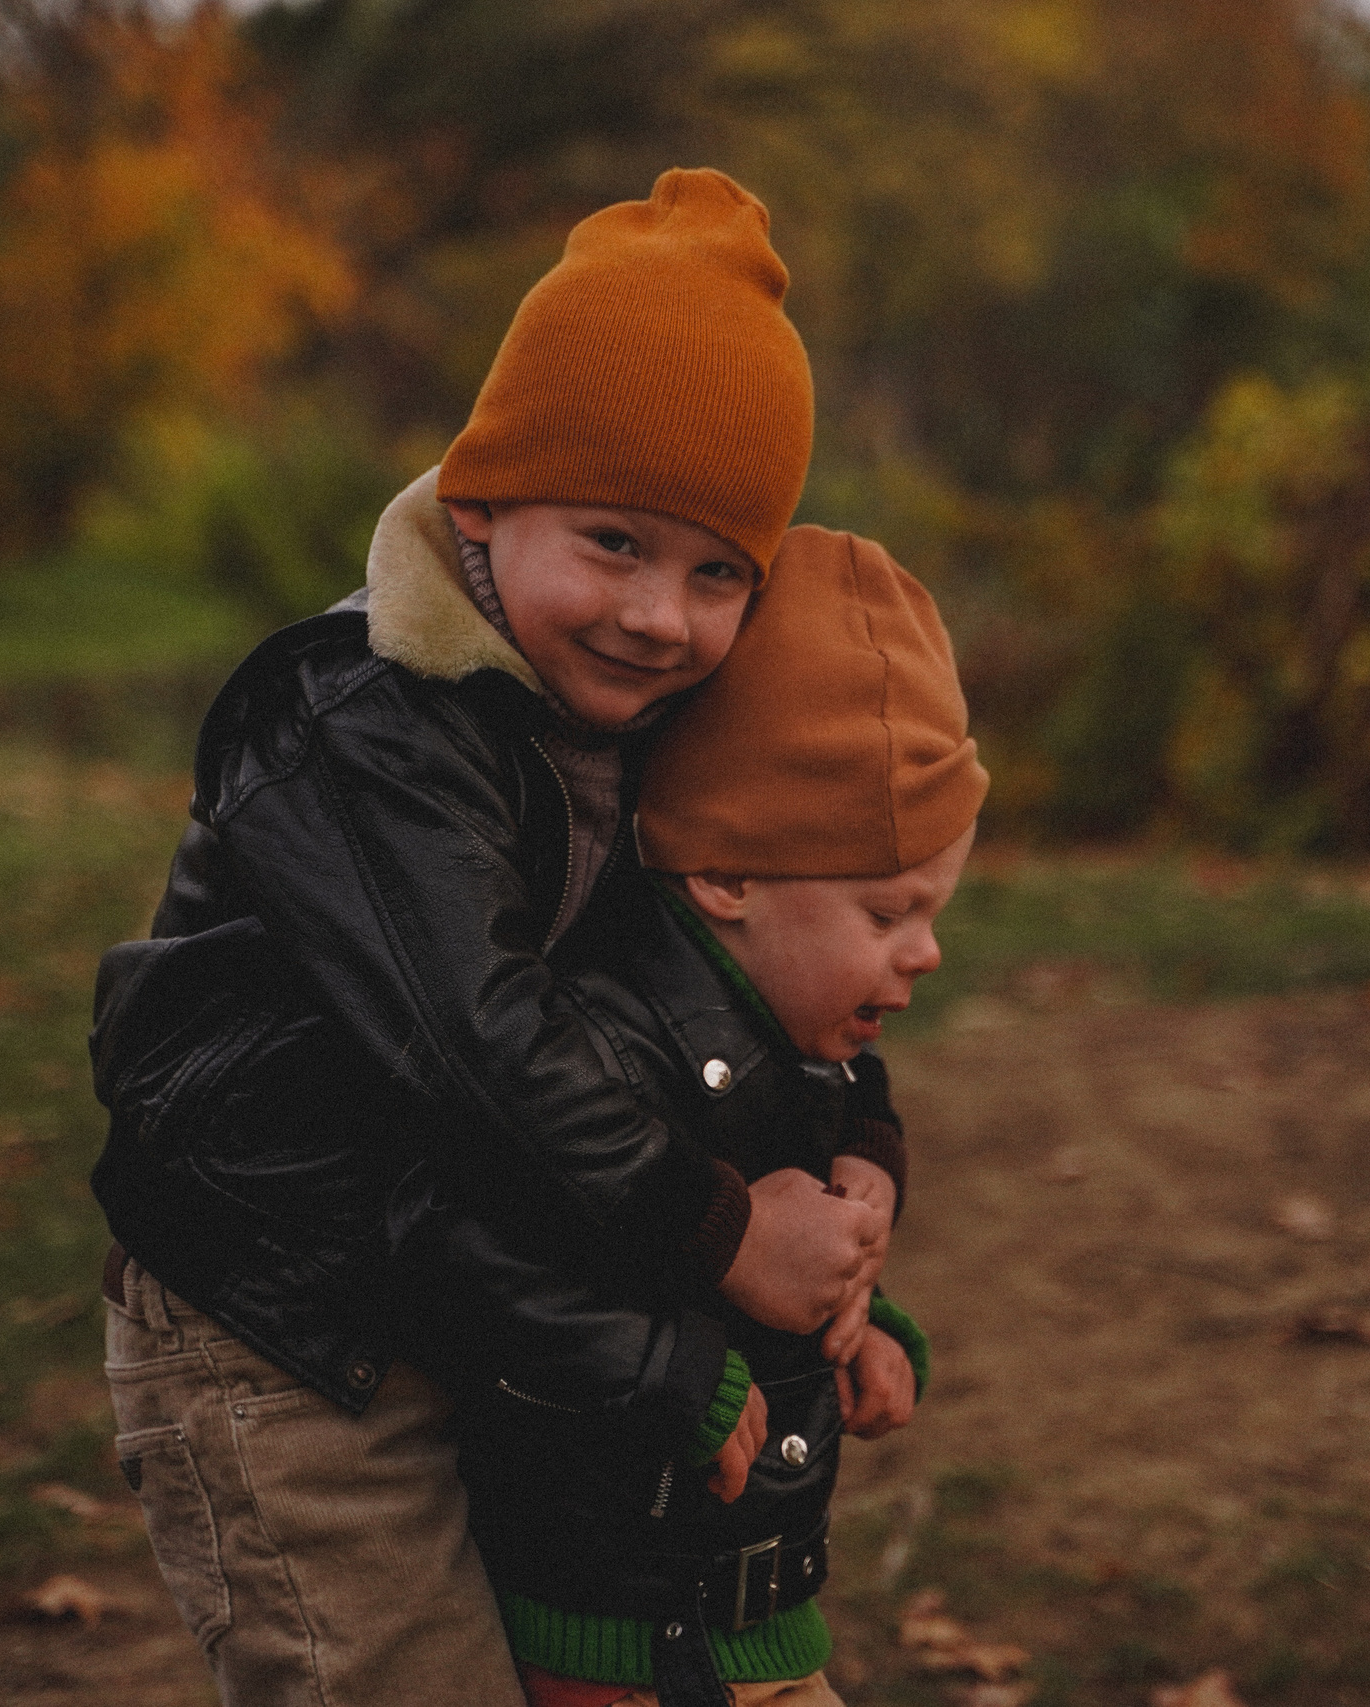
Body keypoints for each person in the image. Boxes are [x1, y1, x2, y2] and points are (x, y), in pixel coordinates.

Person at [88, 169, 886, 1707]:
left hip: (470, 1277)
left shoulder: (623, 714)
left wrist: (861, 1145)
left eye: (717, 571)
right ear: (481, 504)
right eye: (614, 542)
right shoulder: (363, 721)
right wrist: (719, 1226)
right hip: (284, 1320)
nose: (659, 613)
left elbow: (724, 972)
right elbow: (481, 1037)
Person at [425, 525, 984, 1707]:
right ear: (728, 878)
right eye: (887, 915)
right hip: (617, 1632)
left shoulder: (790, 1042)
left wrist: (849, 1318)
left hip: (745, 1615)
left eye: (932, 914)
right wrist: (669, 1373)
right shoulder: (608, 1057)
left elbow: (760, 1248)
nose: (925, 952)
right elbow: (499, 1263)